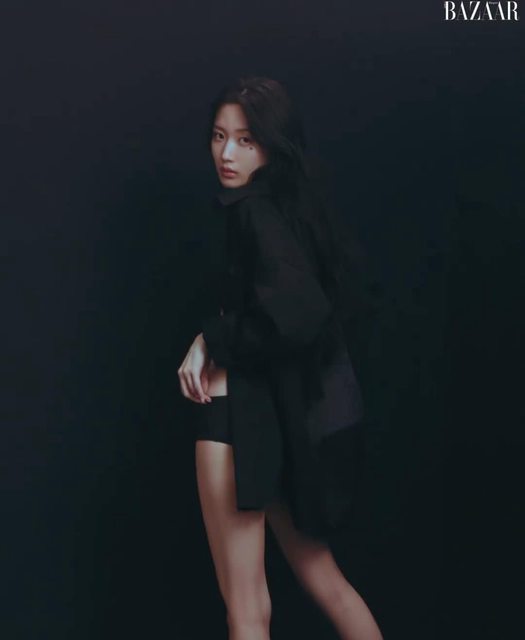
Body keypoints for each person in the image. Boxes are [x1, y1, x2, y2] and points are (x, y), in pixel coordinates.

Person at [178, 76, 383, 640]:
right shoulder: (291, 209)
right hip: (276, 422)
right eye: (219, 136)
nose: (227, 153)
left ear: (272, 145)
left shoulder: (254, 212)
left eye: (246, 140)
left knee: (247, 609)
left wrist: (211, 339)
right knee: (326, 582)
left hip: (234, 418)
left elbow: (298, 311)